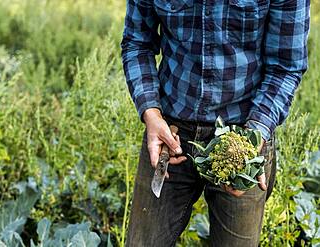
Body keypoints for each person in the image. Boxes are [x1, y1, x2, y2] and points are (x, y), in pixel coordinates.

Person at [120, 0, 310, 246]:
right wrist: (151, 113)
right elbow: (138, 42)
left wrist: (252, 138)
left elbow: (285, 67)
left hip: (244, 136)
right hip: (171, 135)